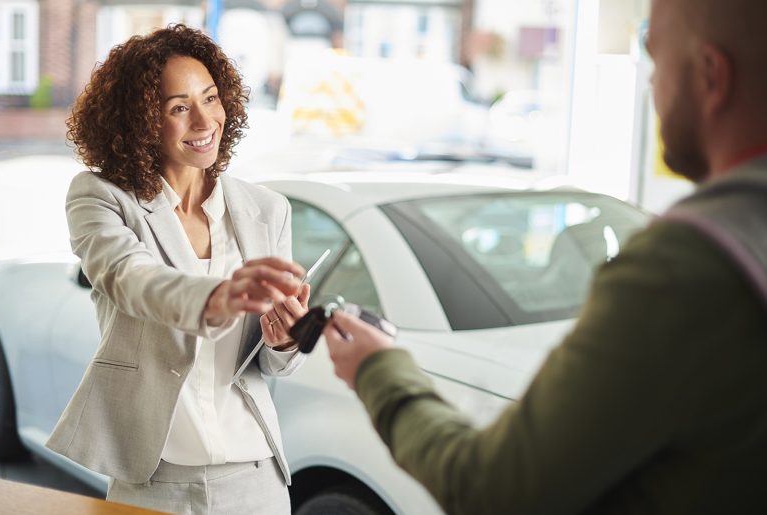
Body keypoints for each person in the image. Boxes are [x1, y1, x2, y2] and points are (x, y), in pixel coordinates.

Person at [323, 0, 767, 513]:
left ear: (712, 77)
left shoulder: (681, 269)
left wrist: (379, 370)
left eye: (657, 59)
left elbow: (491, 489)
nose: (650, 85)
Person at [46, 25, 309, 515]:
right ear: (142, 120)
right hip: (152, 476)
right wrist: (219, 297)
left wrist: (285, 339)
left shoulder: (267, 210)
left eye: (211, 98)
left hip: (255, 476)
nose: (205, 119)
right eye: (179, 107)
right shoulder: (100, 198)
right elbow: (130, 278)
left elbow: (270, 366)